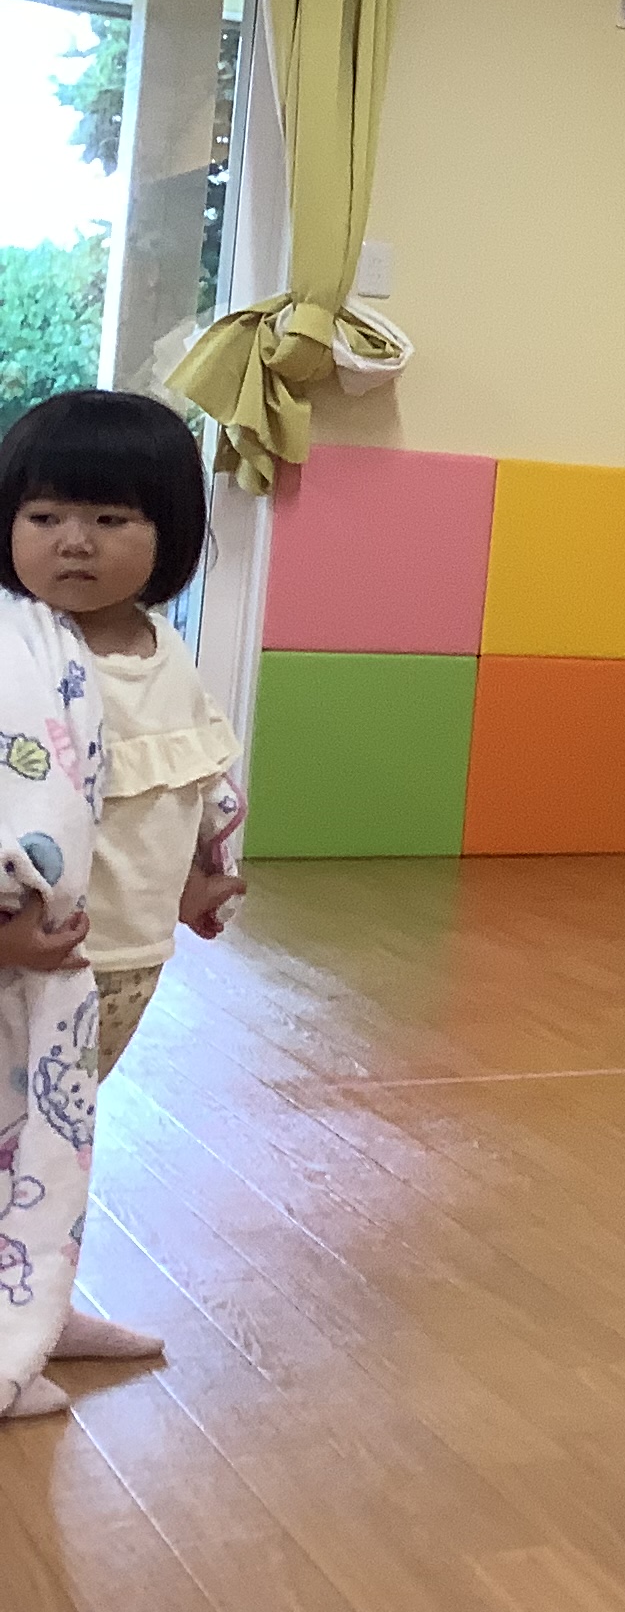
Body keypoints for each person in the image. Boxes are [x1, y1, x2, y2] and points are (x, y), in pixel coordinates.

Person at [0, 390, 247, 1407]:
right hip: (26, 964)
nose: (75, 542)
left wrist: (196, 875)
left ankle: (35, 1300)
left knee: (53, 1143)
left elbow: (185, 777)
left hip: (127, 963)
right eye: (45, 515)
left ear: (169, 533)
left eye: (111, 518)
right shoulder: (16, 654)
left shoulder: (161, 648)